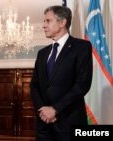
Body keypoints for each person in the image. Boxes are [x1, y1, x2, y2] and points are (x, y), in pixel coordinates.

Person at [30, 5, 93, 141]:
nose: (43, 25)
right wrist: (42, 109)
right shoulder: (42, 53)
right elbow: (34, 85)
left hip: (69, 121)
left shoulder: (82, 47)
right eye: (44, 21)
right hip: (44, 124)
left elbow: (82, 84)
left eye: (48, 21)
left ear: (62, 22)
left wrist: (55, 109)